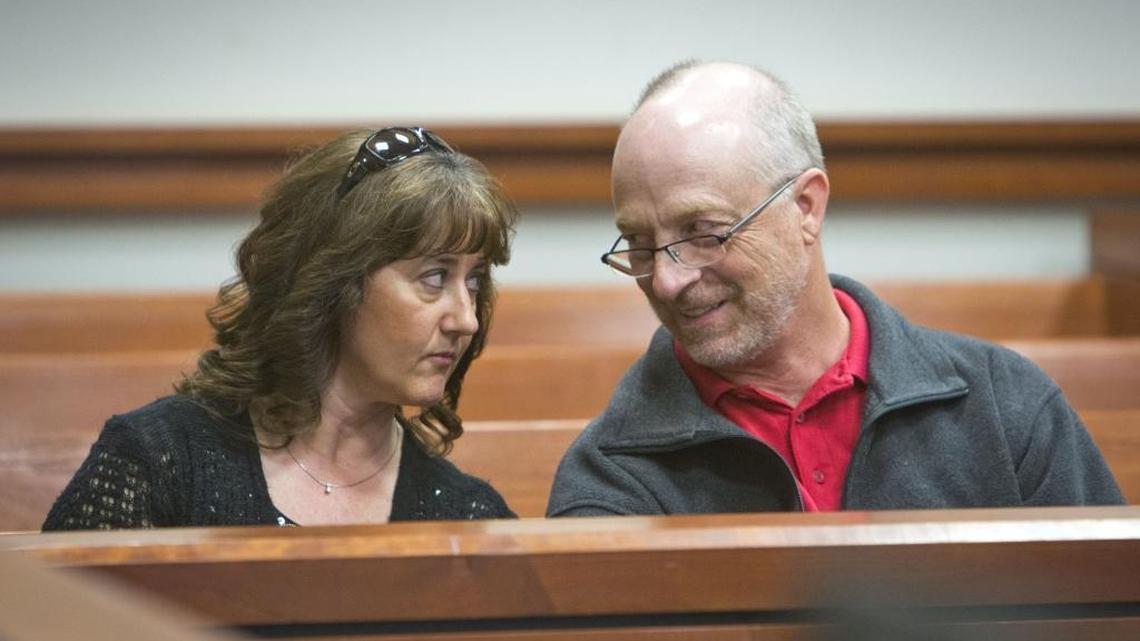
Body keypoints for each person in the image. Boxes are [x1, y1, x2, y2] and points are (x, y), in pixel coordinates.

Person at [547, 62, 1123, 516]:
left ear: (805, 207)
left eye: (703, 232)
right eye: (639, 243)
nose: (668, 280)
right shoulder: (608, 476)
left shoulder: (1004, 406)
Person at [45, 127, 519, 529]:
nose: (467, 319)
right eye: (434, 277)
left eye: (474, 281)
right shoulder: (159, 459)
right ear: (333, 281)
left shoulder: (468, 513)